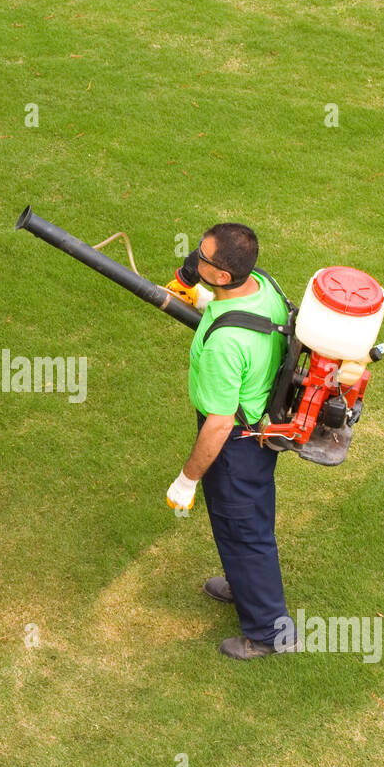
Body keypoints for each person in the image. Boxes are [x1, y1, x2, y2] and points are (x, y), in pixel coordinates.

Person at [163, 224, 299, 660]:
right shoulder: (262, 285)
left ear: (223, 275)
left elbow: (218, 425)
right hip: (255, 428)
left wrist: (187, 480)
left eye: (201, 258)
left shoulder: (226, 346)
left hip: (236, 441)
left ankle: (269, 633)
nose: (192, 260)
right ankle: (245, 586)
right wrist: (204, 302)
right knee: (240, 523)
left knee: (246, 532)